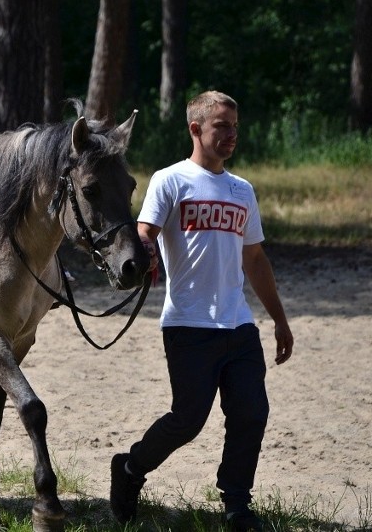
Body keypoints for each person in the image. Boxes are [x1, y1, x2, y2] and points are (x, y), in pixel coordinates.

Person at [110, 91, 294, 531]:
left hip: (239, 324)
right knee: (188, 421)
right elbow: (144, 232)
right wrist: (147, 250)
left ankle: (236, 504)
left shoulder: (241, 190)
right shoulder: (170, 180)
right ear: (196, 128)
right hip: (188, 325)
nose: (232, 134)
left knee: (251, 412)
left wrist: (280, 320)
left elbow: (254, 259)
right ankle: (130, 469)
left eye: (235, 126)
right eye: (222, 126)